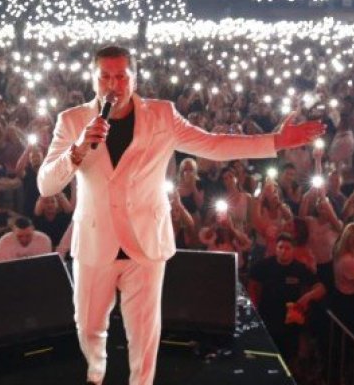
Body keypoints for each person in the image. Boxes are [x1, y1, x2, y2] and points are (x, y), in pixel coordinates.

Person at [37, 45, 324, 385]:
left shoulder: (161, 115)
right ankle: (95, 374)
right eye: (105, 77)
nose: (113, 84)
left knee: (144, 330)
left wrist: (275, 141)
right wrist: (78, 148)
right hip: (95, 240)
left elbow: (213, 144)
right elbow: (46, 185)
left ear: (134, 78)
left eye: (121, 76)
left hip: (145, 241)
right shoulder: (72, 120)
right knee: (88, 325)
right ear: (93, 79)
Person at [247, 233, 325, 363]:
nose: (283, 251)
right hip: (267, 316)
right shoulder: (264, 265)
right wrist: (252, 308)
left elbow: (321, 289)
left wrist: (307, 297)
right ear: (276, 248)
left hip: (290, 321)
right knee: (266, 356)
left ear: (293, 250)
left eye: (287, 248)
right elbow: (251, 285)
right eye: (280, 247)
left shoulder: (300, 268)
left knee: (289, 357)